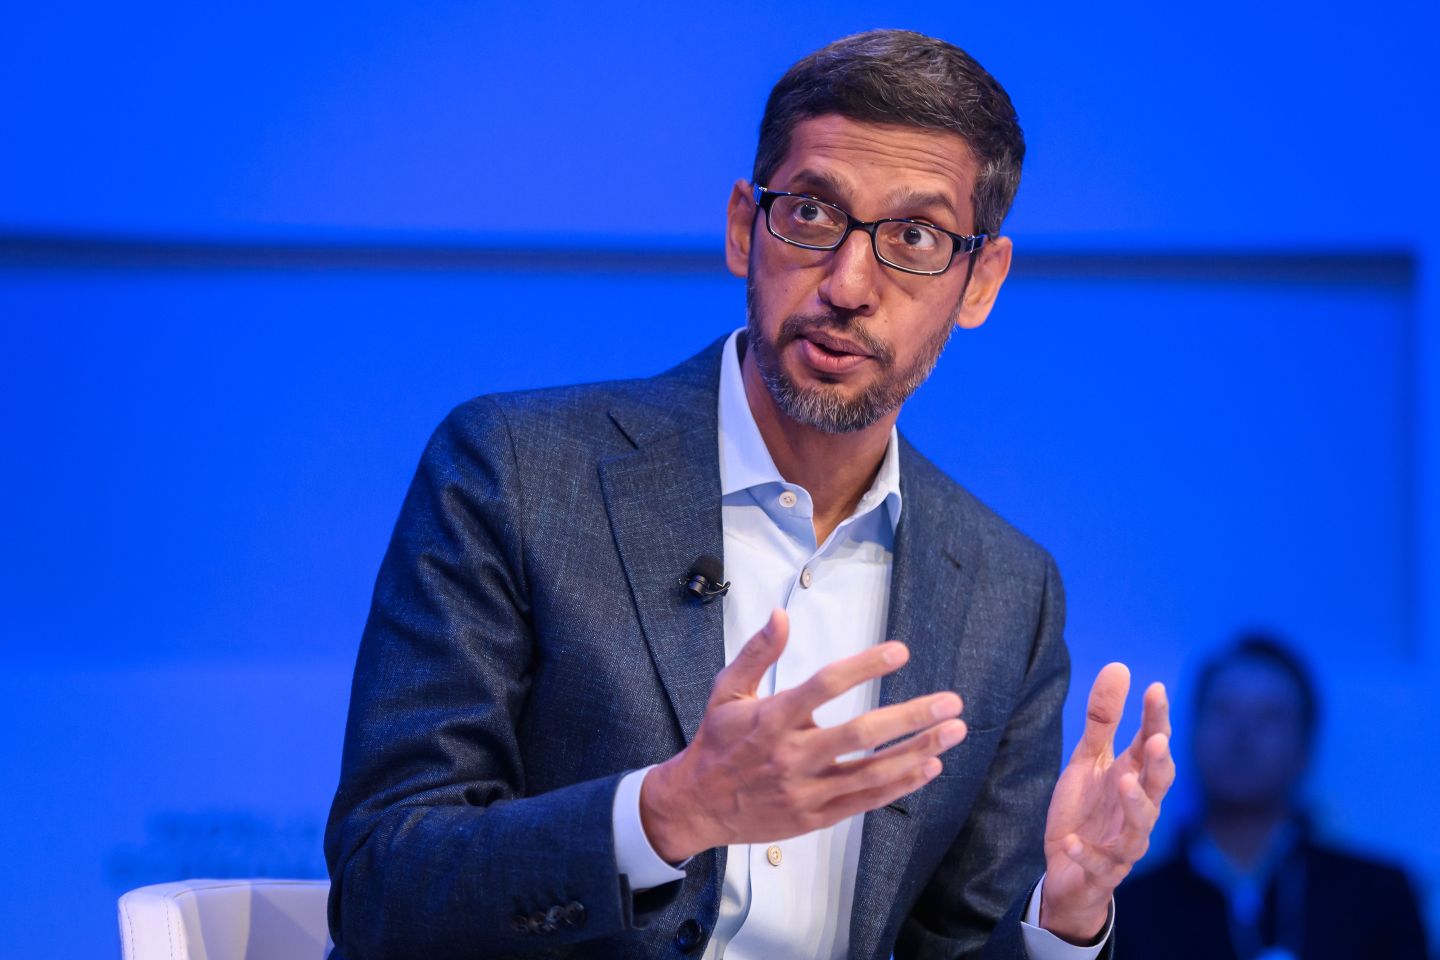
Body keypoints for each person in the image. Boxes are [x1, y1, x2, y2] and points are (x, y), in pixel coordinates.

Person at [324, 29, 1175, 960]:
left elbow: (961, 945)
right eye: (811, 213)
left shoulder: (1008, 592)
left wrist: (1066, 920)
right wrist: (664, 814)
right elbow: (382, 882)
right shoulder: (517, 473)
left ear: (981, 282)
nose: (849, 284)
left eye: (915, 238)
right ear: (744, 226)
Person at [1116, 634, 1429, 959]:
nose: (1241, 733)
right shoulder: (1131, 907)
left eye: (1269, 715)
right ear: (1192, 737)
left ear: (1304, 748)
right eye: (1223, 710)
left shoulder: (1378, 897)